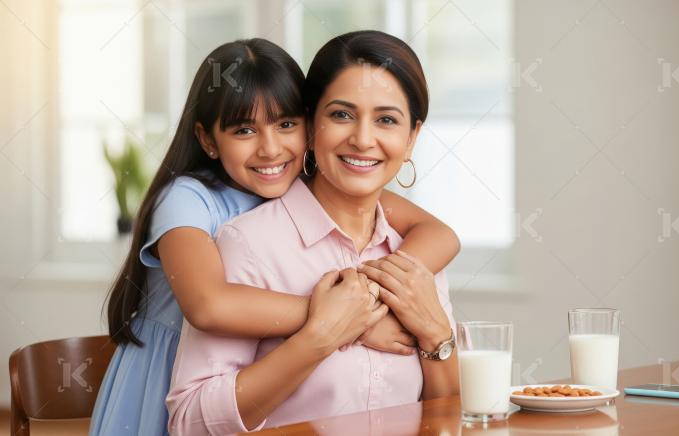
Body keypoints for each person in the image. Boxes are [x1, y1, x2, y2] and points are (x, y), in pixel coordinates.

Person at [90, 37, 460, 435]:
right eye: (341, 115)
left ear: (412, 137)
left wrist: (436, 335)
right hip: (150, 388)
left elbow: (442, 235)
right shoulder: (202, 211)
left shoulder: (408, 252)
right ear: (315, 125)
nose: (363, 139)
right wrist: (337, 323)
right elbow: (207, 305)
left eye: (386, 119)